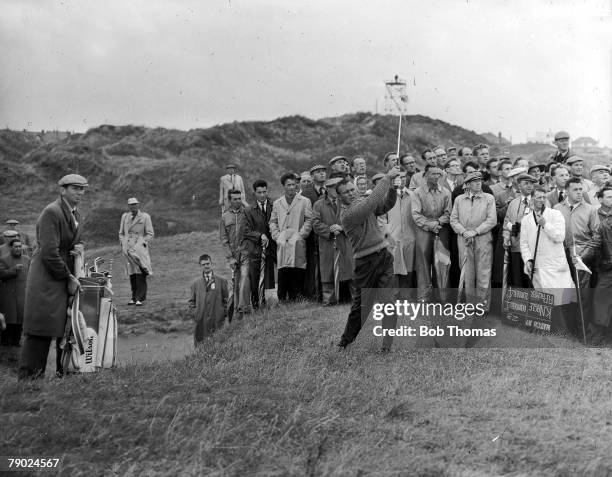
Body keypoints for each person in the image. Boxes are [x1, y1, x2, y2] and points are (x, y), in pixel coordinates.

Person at [18, 174, 87, 380]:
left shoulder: (76, 214)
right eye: (75, 188)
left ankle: (63, 375)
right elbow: (49, 251)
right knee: (40, 328)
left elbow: (75, 241)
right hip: (46, 278)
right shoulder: (52, 212)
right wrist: (68, 277)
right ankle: (29, 380)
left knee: (64, 328)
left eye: (82, 189)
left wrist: (80, 248)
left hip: (62, 275)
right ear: (62, 190)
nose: (80, 192)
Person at [336, 166, 400, 350]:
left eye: (351, 189)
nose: (350, 193)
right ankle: (345, 342)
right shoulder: (348, 215)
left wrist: (394, 189)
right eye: (346, 192)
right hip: (365, 263)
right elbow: (372, 202)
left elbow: (385, 205)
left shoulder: (363, 202)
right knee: (361, 307)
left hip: (384, 256)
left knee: (390, 303)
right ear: (340, 198)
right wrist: (387, 177)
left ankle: (387, 346)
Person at [520, 187, 575, 333]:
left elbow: (560, 237)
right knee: (542, 294)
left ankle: (562, 329)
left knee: (557, 297)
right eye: (538, 197)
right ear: (531, 199)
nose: (541, 200)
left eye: (544, 197)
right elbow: (524, 243)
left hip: (554, 263)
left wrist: (545, 225)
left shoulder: (555, 214)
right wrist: (528, 259)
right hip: (537, 263)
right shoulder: (526, 219)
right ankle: (543, 327)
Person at [450, 172, 497, 310]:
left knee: (484, 273)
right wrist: (464, 232)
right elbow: (453, 219)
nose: (478, 183)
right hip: (464, 239)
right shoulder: (459, 199)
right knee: (467, 273)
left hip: (483, 239)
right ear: (467, 184)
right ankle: (471, 304)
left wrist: (475, 232)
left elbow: (491, 220)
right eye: (474, 181)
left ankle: (483, 305)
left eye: (480, 180)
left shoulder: (488, 198)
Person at [269, 172, 313, 302]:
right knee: (283, 270)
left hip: (297, 241)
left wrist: (301, 235)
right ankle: (282, 298)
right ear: (284, 186)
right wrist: (277, 236)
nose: (292, 187)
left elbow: (309, 220)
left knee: (297, 268)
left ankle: (297, 297)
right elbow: (273, 221)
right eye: (289, 185)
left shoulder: (304, 201)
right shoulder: (277, 203)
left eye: (294, 184)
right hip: (282, 242)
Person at [312, 174, 355, 306]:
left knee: (351, 271)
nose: (336, 190)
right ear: (327, 188)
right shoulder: (319, 204)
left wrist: (341, 228)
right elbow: (315, 223)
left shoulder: (347, 202)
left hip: (346, 242)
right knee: (328, 272)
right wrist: (329, 229)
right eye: (333, 187)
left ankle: (356, 298)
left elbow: (354, 219)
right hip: (328, 243)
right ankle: (328, 300)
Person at [412, 165, 452, 300]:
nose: (436, 176)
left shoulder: (446, 192)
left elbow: (448, 212)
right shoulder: (417, 192)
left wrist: (438, 223)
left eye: (438, 174)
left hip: (441, 229)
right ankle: (424, 296)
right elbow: (416, 214)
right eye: (433, 174)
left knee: (441, 261)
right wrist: (430, 225)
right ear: (426, 175)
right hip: (423, 229)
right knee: (423, 262)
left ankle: (442, 296)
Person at [578, 186, 612, 342]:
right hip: (607, 269)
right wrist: (580, 259)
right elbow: (594, 243)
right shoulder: (604, 223)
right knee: (600, 301)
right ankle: (596, 338)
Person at [554, 177, 599, 290]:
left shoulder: (590, 209)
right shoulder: (557, 208)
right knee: (564, 290)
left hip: (583, 254)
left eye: (580, 189)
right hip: (561, 255)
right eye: (575, 190)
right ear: (567, 191)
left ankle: (583, 308)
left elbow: (597, 236)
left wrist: (584, 255)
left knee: (582, 290)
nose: (579, 192)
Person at [240, 179, 276, 310]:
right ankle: (256, 305)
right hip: (256, 249)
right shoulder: (248, 211)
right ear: (254, 193)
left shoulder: (275, 206)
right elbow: (245, 230)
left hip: (274, 248)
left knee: (273, 276)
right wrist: (260, 235)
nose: (262, 195)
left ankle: (274, 302)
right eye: (259, 192)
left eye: (264, 192)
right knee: (255, 278)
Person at [503, 173, 537, 288]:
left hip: (533, 249)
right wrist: (506, 237)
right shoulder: (513, 203)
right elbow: (506, 223)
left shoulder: (539, 202)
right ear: (519, 186)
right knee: (518, 281)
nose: (529, 186)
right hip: (516, 247)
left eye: (531, 183)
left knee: (533, 281)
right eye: (526, 183)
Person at [119, 197, 154, 306]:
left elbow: (150, 234)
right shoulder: (125, 217)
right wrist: (123, 243)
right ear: (128, 206)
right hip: (128, 249)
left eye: (135, 204)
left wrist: (141, 243)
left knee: (141, 272)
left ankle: (140, 297)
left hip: (139, 249)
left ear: (138, 205)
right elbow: (121, 233)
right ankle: (133, 297)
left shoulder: (145, 217)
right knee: (132, 273)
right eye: (131, 205)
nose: (133, 206)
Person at [300, 164, 327, 302]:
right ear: (312, 176)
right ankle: (314, 294)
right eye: (318, 172)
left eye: (323, 171)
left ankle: (327, 293)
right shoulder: (306, 193)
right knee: (313, 266)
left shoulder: (330, 190)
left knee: (326, 265)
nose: (322, 174)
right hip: (312, 236)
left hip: (327, 234)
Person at [220, 189, 248, 319]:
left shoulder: (247, 213)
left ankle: (243, 308)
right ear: (230, 200)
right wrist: (230, 258)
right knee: (236, 282)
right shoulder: (225, 217)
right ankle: (236, 311)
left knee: (244, 276)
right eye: (235, 199)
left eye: (239, 198)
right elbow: (224, 240)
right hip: (233, 255)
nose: (238, 201)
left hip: (246, 252)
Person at [189, 254, 229, 344]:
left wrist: (223, 313)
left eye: (208, 263)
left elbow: (226, 300)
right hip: (201, 322)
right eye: (203, 264)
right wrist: (195, 314)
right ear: (200, 266)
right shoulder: (195, 284)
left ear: (211, 263)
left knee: (219, 345)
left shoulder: (221, 281)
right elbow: (191, 302)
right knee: (201, 348)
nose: (206, 266)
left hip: (217, 321)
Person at [387, 171, 416, 288]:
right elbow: (382, 217)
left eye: (404, 177)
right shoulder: (388, 195)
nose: (402, 180)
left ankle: (407, 294)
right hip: (392, 235)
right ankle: (394, 294)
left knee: (409, 266)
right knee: (393, 266)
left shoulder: (413, 195)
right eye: (399, 178)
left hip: (410, 235)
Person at [0, 239, 30, 347]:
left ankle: (16, 341)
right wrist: (13, 270)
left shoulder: (27, 259)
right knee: (9, 318)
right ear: (11, 248)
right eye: (15, 246)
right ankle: (5, 341)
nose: (18, 248)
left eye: (19, 246)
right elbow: (1, 274)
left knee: (20, 319)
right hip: (9, 294)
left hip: (22, 293)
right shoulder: (3, 259)